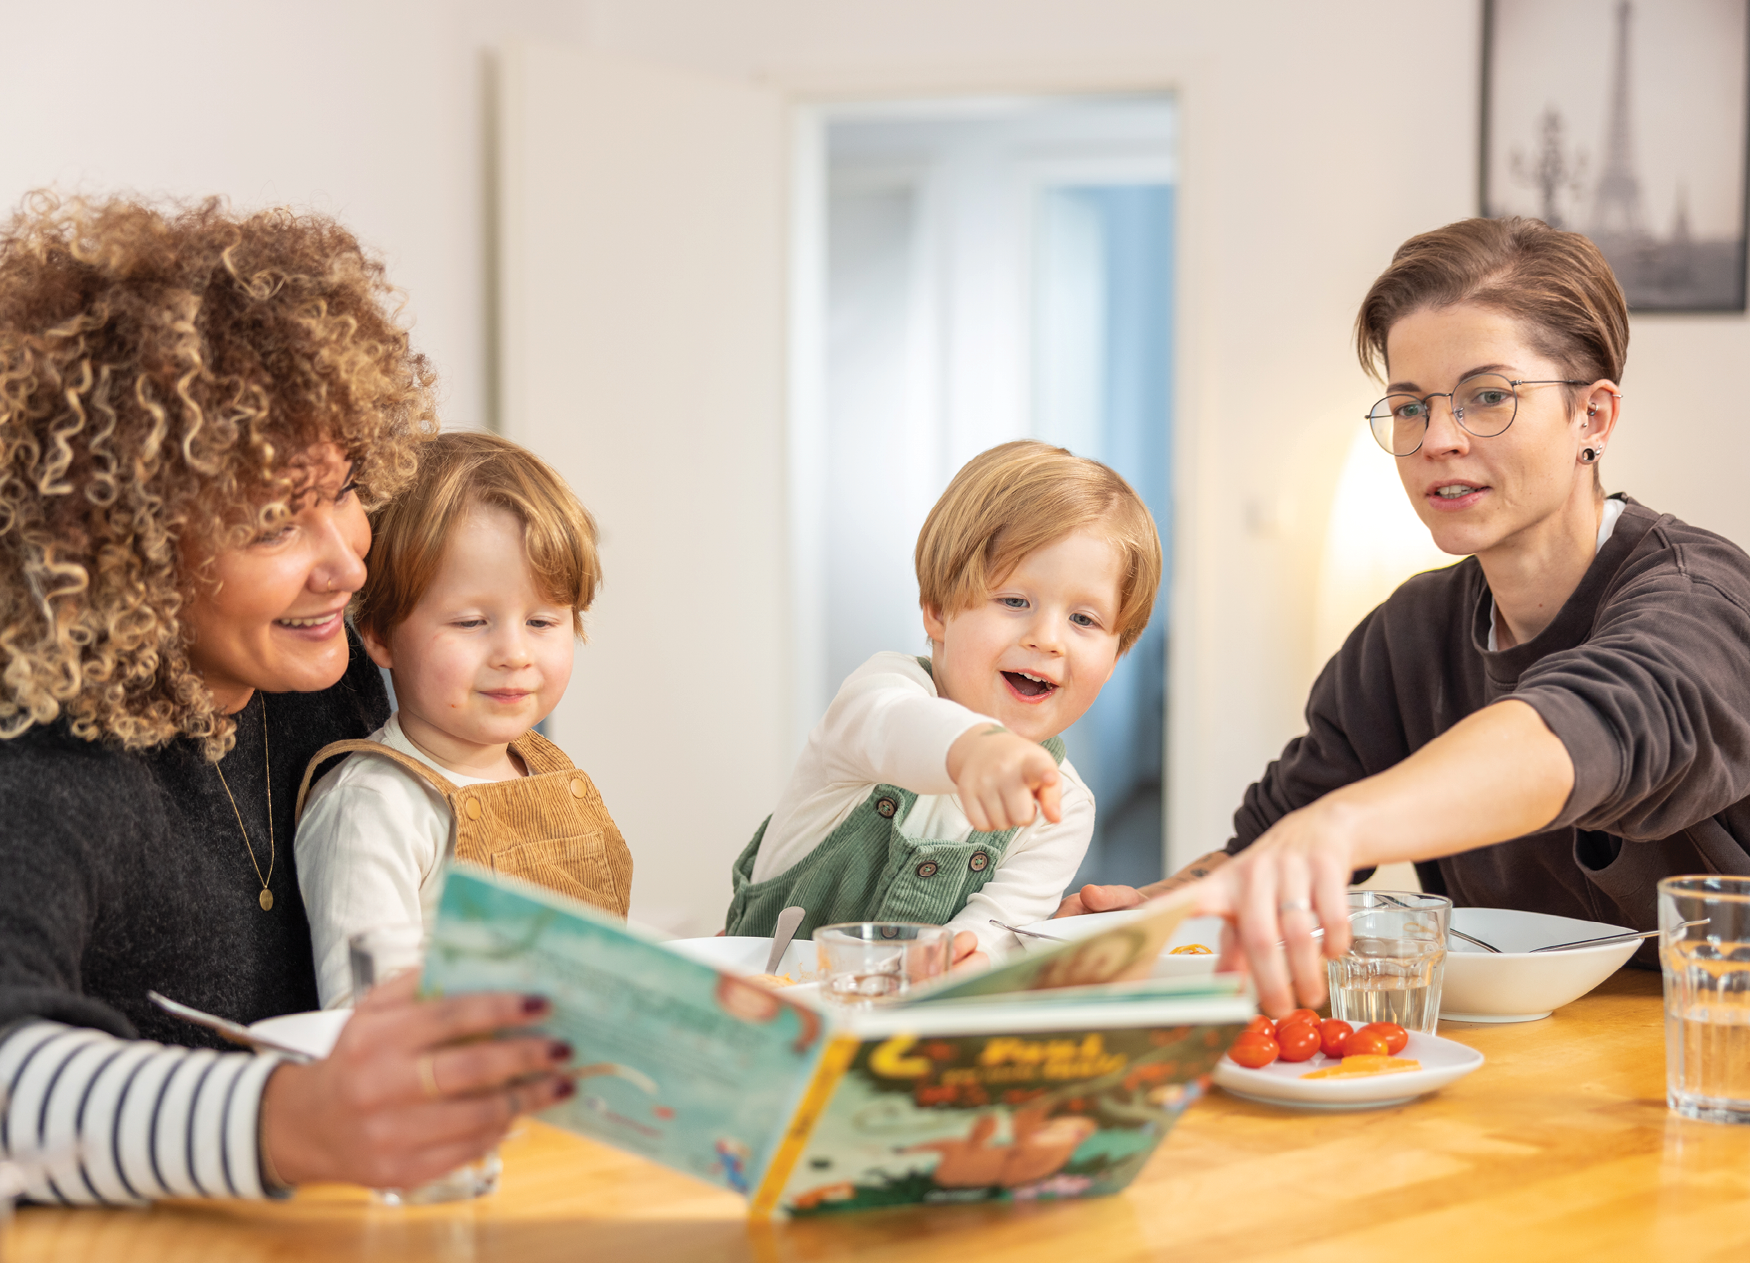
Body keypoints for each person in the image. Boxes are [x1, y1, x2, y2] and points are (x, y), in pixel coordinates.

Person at [0, 194, 571, 1203]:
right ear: (117, 551)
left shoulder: (324, 684)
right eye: (273, 522)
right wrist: (285, 1123)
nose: (347, 563)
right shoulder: (32, 772)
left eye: (346, 488)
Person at [1064, 216, 1750, 1016]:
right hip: (1507, 1077)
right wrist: (1142, 921)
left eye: (1487, 397)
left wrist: (1341, 826)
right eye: (1410, 405)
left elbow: (1584, 727)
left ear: (1592, 418)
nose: (1438, 439)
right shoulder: (1407, 636)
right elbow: (1271, 850)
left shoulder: (1698, 598)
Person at [726, 440, 1162, 967]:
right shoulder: (881, 690)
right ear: (937, 610)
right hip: (755, 1014)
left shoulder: (1062, 810)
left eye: (1084, 620)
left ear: (1117, 654)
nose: (1048, 638)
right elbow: (893, 727)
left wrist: (976, 959)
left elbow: (989, 939)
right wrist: (975, 749)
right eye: (1014, 601)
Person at [295, 431, 632, 1009]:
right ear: (378, 634)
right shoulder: (373, 805)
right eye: (472, 621)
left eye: (543, 622)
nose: (514, 653)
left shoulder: (549, 772)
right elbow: (367, 1025)